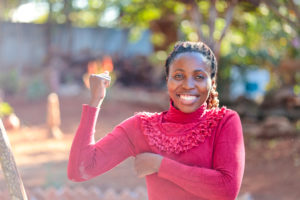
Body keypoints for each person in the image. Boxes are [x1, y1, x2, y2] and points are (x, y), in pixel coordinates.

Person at [68, 41, 245, 200]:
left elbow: (226, 189)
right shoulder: (142, 127)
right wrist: (94, 102)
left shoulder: (224, 122)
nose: (188, 85)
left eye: (199, 76)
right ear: (167, 80)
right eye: (178, 76)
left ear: (212, 83)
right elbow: (80, 169)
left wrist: (158, 164)